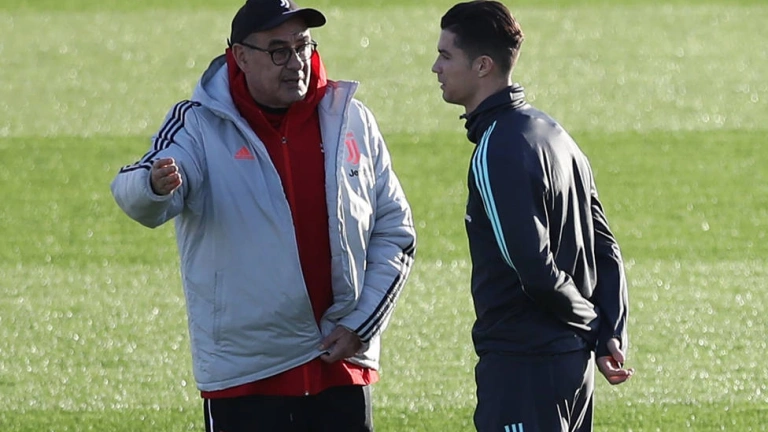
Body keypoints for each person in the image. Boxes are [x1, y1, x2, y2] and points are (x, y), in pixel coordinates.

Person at [111, 0, 416, 430]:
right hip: (248, 376)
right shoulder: (198, 125)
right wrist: (153, 186)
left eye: (302, 46)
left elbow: (395, 231)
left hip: (339, 367)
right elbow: (135, 191)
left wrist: (361, 324)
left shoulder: (352, 119)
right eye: (278, 51)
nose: (295, 62)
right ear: (240, 56)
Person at [431, 2, 633, 431]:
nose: (436, 68)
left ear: (482, 65)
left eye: (446, 55)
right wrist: (609, 330)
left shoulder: (496, 149)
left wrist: (594, 325)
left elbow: (533, 268)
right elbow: (606, 247)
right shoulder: (555, 135)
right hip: (572, 368)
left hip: (524, 368)